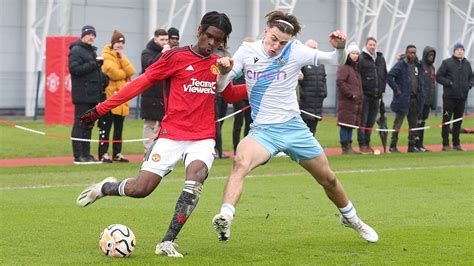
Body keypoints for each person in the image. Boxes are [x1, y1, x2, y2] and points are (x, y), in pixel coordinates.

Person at [76, 11, 246, 258]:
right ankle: (105, 188)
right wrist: (100, 110)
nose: (212, 43)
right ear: (200, 30)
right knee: (141, 189)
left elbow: (228, 95)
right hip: (171, 135)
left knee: (196, 177)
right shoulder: (175, 57)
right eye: (209, 36)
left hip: (203, 137)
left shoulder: (219, 63)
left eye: (218, 40)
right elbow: (139, 83)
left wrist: (256, 89)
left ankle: (167, 241)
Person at [212, 10, 378, 244]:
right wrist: (223, 73)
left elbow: (335, 60)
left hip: (294, 129)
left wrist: (340, 47)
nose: (276, 46)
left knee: (328, 179)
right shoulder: (247, 51)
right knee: (240, 163)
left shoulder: (296, 50)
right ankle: (225, 217)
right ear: (266, 31)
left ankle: (352, 219)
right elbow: (221, 87)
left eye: (283, 43)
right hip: (263, 132)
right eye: (273, 39)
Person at [69, 25, 107, 164]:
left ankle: (86, 154)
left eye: (93, 35)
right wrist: (93, 64)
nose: (91, 37)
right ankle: (78, 155)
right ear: (83, 35)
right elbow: (74, 69)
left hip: (92, 95)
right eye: (89, 34)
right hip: (82, 94)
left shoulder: (90, 51)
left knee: (88, 125)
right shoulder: (77, 50)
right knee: (80, 124)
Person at [98, 30, 136, 163]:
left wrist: (123, 58)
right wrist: (124, 72)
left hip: (122, 97)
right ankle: (103, 153)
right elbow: (114, 73)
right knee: (106, 126)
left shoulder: (121, 57)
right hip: (109, 97)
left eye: (122, 43)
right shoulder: (106, 56)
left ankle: (117, 153)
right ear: (112, 43)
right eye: (118, 42)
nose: (120, 45)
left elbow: (131, 71)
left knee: (118, 128)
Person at [387, 45, 425, 153]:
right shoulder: (401, 65)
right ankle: (393, 146)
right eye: (410, 53)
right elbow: (389, 76)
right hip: (403, 99)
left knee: (413, 124)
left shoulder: (418, 65)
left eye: (414, 52)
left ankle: (411, 146)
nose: (412, 55)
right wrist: (397, 90)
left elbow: (421, 81)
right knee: (398, 123)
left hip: (414, 99)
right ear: (406, 53)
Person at [436, 42, 473, 151]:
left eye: (462, 49)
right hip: (449, 99)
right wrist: (449, 83)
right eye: (458, 49)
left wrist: (469, 85)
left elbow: (472, 77)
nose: (460, 51)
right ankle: (445, 144)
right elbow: (439, 77)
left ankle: (456, 144)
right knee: (446, 120)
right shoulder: (447, 63)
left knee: (458, 121)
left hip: (461, 99)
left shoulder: (467, 64)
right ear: (454, 51)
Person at [140, 29, 170, 154]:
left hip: (163, 94)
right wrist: (162, 54)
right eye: (162, 39)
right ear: (155, 38)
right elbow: (150, 66)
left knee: (164, 124)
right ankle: (148, 151)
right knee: (150, 124)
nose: (164, 42)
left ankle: (161, 151)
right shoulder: (146, 52)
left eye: (166, 40)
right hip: (150, 95)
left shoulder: (169, 52)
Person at [357, 37, 387, 154]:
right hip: (365, 94)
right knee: (362, 121)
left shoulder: (380, 58)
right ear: (366, 45)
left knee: (371, 121)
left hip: (377, 95)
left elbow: (384, 75)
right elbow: (358, 76)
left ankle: (368, 143)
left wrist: (382, 90)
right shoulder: (361, 58)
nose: (372, 47)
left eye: (374, 44)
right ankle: (362, 144)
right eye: (370, 44)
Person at [336, 42, 363, 154]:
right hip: (347, 102)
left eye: (357, 53)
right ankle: (345, 146)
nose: (355, 55)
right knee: (345, 124)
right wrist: (350, 94)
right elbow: (340, 81)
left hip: (355, 103)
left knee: (350, 125)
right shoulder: (344, 67)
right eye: (353, 53)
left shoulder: (355, 69)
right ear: (348, 54)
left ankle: (349, 146)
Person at [298, 39, 327, 135]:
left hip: (318, 101)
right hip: (305, 101)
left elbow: (324, 79)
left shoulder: (320, 64)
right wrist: (302, 94)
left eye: (314, 48)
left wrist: (324, 93)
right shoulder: (302, 62)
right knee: (303, 126)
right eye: (311, 48)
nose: (313, 50)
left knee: (313, 126)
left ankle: (311, 147)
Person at [213, 43, 232, 159]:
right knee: (216, 123)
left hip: (225, 92)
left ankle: (219, 151)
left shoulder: (227, 54)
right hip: (216, 94)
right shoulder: (213, 53)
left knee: (221, 121)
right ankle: (216, 150)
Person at [417, 46, 437, 152]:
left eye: (432, 55)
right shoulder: (420, 65)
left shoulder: (432, 68)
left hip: (428, 101)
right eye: (429, 55)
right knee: (417, 123)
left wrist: (433, 102)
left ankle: (420, 144)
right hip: (420, 100)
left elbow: (433, 85)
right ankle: (415, 144)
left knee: (423, 123)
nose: (431, 57)